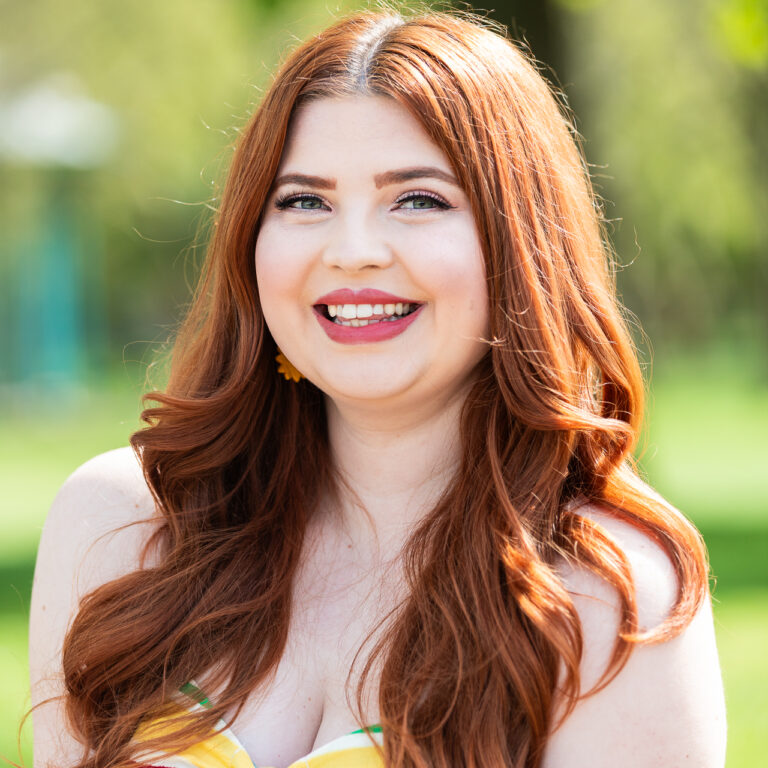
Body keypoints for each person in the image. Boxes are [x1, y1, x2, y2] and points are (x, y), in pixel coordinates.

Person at [29, 8, 726, 768]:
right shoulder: (121, 531)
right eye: (305, 201)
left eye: (418, 199)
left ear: (519, 242)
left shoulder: (607, 598)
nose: (353, 251)